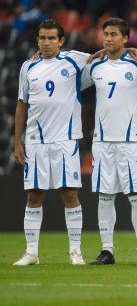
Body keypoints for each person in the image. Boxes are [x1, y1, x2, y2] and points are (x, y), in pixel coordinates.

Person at [82, 18, 137, 265]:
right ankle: (107, 250)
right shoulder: (94, 66)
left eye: (114, 34)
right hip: (103, 141)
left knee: (136, 195)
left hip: (131, 140)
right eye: (105, 33)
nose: (108, 38)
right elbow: (66, 77)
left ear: (125, 38)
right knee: (105, 196)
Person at [13, 20, 88, 266]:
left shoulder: (73, 60)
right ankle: (31, 252)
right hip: (35, 141)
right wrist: (17, 141)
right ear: (37, 40)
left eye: (51, 38)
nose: (46, 43)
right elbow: (22, 105)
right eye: (42, 38)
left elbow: (104, 55)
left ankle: (75, 251)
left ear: (61, 41)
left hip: (65, 140)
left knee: (70, 194)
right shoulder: (28, 67)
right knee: (34, 196)